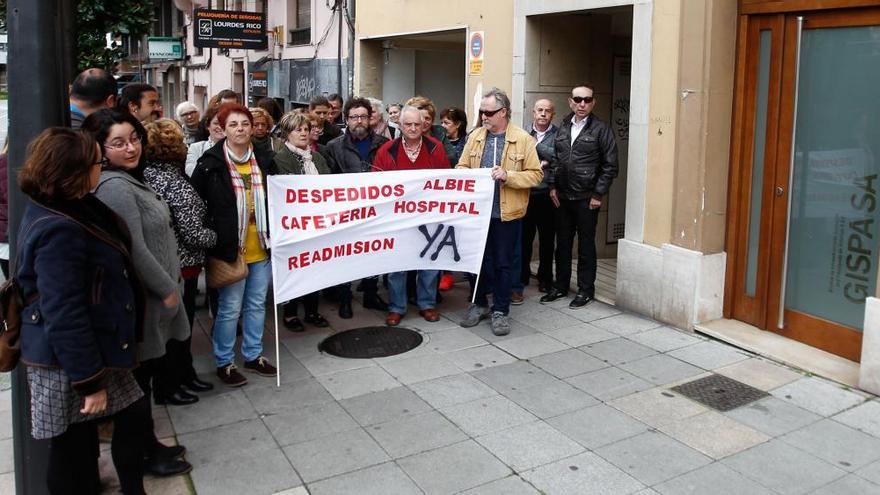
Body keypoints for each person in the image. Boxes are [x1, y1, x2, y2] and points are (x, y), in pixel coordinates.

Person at [16, 128, 149, 494]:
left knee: (121, 422)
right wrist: (89, 382)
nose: (101, 168)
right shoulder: (60, 227)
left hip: (94, 347)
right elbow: (63, 309)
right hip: (72, 361)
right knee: (71, 449)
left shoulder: (71, 205)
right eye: (97, 162)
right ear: (74, 171)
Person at [83, 109, 193, 477]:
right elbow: (134, 247)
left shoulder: (129, 178)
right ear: (99, 148)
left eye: (134, 139)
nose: (131, 148)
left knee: (144, 383)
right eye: (118, 143)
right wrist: (167, 290)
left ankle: (150, 444)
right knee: (138, 387)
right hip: (146, 302)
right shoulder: (113, 187)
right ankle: (144, 455)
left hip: (157, 297)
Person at [190, 103, 277, 387]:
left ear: (252, 128)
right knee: (229, 308)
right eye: (233, 125)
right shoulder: (210, 163)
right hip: (230, 250)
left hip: (261, 246)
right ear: (223, 130)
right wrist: (213, 237)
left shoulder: (265, 160)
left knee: (255, 306)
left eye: (244, 124)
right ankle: (224, 362)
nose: (240, 129)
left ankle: (253, 355)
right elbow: (195, 205)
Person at [457, 88, 542, 335]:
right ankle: (480, 303)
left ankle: (500, 310)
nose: (483, 116)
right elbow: (461, 165)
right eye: (482, 112)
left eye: (489, 112)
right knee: (478, 261)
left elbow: (536, 175)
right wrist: (468, 175)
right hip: (478, 214)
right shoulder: (475, 137)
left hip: (507, 214)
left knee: (504, 264)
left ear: (503, 112)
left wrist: (509, 176)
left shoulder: (523, 139)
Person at [143, 119, 217, 402]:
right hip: (181, 265)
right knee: (176, 331)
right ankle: (170, 385)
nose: (186, 147)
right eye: (180, 143)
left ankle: (184, 376)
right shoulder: (170, 181)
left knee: (179, 329)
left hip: (176, 263)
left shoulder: (155, 176)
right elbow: (192, 231)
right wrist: (216, 237)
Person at [541, 84, 618, 309]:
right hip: (562, 196)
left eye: (587, 100)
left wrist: (598, 193)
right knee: (562, 244)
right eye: (578, 99)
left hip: (586, 198)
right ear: (571, 101)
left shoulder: (601, 129)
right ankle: (560, 286)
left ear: (593, 102)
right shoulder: (563, 127)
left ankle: (585, 290)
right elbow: (556, 159)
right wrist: (553, 186)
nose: (582, 104)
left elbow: (610, 165)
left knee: (586, 246)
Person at [373, 105, 449, 326]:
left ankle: (427, 304)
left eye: (418, 124)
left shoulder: (436, 148)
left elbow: (446, 182)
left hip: (429, 218)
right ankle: (397, 307)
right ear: (400, 125)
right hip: (397, 220)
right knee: (397, 266)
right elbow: (375, 185)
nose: (414, 128)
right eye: (408, 124)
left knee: (429, 263)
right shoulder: (387, 150)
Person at [323, 96, 391, 318]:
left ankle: (371, 295)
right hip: (346, 210)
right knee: (345, 255)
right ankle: (345, 298)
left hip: (376, 210)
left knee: (374, 253)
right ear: (346, 120)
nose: (359, 121)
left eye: (363, 116)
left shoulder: (383, 144)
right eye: (354, 117)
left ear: (370, 118)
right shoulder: (333, 147)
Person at [270, 111, 332, 331]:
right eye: (298, 129)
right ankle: (290, 313)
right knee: (295, 268)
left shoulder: (317, 158)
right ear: (287, 133)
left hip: (318, 222)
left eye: (306, 129)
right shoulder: (280, 159)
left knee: (315, 268)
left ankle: (312, 310)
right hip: (294, 224)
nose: (304, 133)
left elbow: (329, 184)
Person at [512, 99, 559, 302]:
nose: (543, 114)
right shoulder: (522, 134)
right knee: (524, 239)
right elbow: (517, 159)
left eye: (547, 111)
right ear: (533, 112)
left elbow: (560, 157)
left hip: (547, 194)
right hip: (526, 193)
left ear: (552, 114)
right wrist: (542, 162)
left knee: (547, 240)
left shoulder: (559, 135)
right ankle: (521, 277)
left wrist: (537, 149)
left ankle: (545, 279)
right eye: (540, 110)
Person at [405, 95, 459, 165]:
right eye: (419, 117)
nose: (423, 121)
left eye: (427, 118)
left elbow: (452, 158)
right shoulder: (405, 136)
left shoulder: (439, 134)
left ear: (432, 120)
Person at [186, 105, 224, 176]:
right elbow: (190, 170)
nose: (220, 127)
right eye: (216, 123)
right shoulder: (196, 148)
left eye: (223, 123)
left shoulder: (237, 148)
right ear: (208, 125)